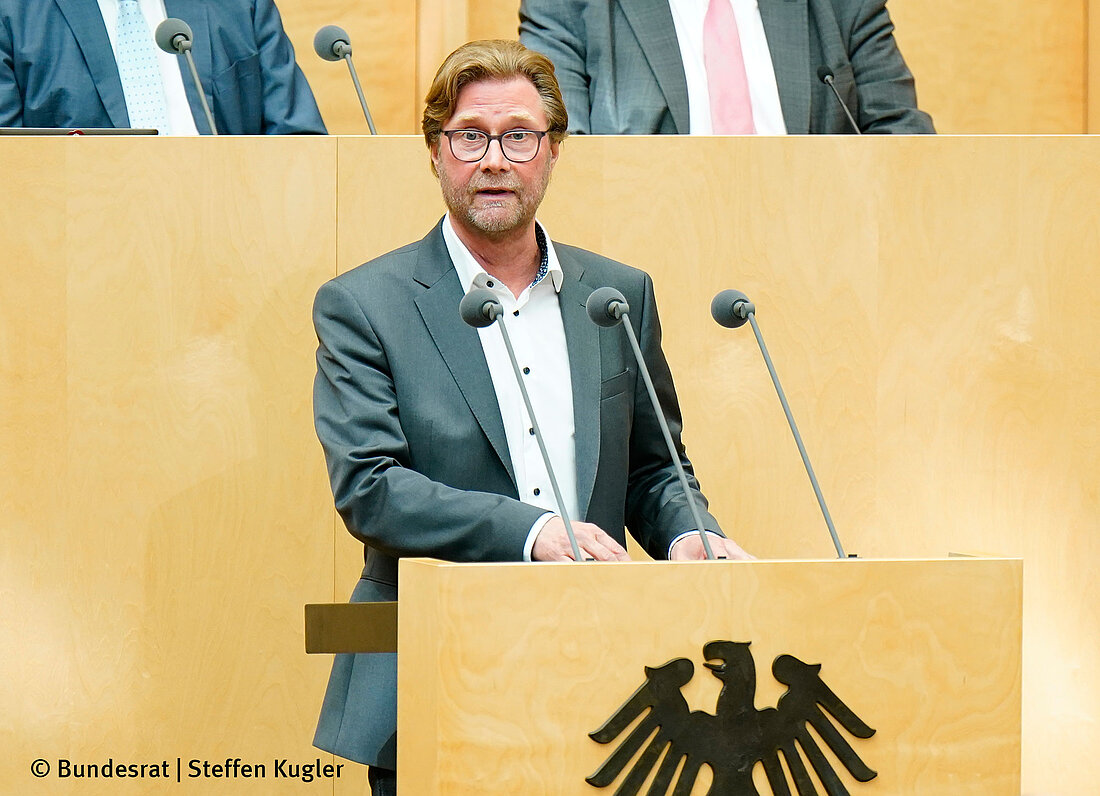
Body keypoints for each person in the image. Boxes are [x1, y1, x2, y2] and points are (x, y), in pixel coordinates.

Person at [309, 38, 750, 793]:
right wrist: (533, 532)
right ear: (435, 151)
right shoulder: (365, 305)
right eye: (469, 136)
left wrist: (687, 532)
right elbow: (371, 488)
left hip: (601, 672)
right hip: (439, 672)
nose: (493, 159)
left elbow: (652, 467)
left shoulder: (616, 295)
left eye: (518, 135)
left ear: (552, 151)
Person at [519, 0, 934, 134]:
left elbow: (904, 145)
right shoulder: (568, 7)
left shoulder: (841, 6)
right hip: (641, 277)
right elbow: (560, 156)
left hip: (825, 268)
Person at [0, 0, 325, 134]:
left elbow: (300, 144)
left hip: (232, 234)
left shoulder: (239, 5)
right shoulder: (14, 15)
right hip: (80, 247)